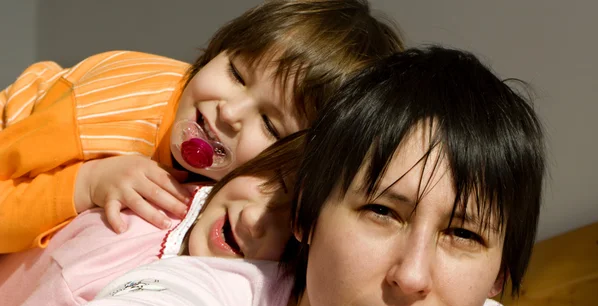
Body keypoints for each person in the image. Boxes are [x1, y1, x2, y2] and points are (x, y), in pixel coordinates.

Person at [34, 47, 598, 306]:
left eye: (463, 235)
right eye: (381, 212)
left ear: (500, 273)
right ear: (306, 217)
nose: (412, 277)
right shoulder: (222, 291)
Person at [0, 0, 402, 253]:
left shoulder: (266, 192)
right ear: (215, 50)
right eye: (236, 73)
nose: (229, 113)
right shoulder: (110, 112)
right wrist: (84, 184)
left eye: (268, 123)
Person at [0, 134, 302, 306]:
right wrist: (86, 181)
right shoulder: (139, 190)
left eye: (290, 233)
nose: (252, 218)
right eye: (273, 183)